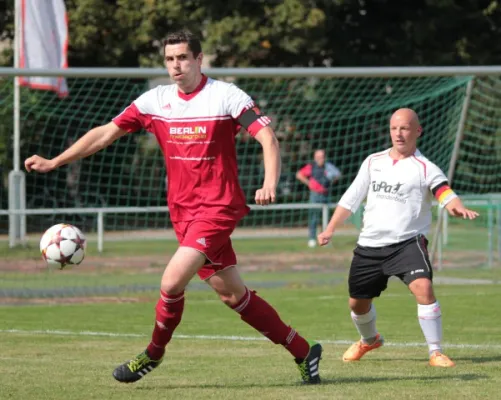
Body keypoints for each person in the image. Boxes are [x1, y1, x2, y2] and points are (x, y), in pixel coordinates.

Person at [24, 30, 322, 385]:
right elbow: (106, 132)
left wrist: (270, 182)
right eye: (169, 59)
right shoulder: (155, 101)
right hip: (183, 213)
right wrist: (55, 161)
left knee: (170, 281)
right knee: (232, 295)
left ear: (198, 59)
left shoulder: (225, 96)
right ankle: (304, 351)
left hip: (218, 208)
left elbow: (266, 137)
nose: (176, 65)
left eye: (182, 57)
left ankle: (153, 353)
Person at [317, 108, 479, 367]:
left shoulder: (425, 167)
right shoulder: (373, 161)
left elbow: (444, 191)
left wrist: (454, 206)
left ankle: (435, 352)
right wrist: (330, 228)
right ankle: (369, 340)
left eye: (404, 128)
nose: (399, 133)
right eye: (394, 128)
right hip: (370, 245)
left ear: (417, 131)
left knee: (423, 288)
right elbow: (351, 199)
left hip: (407, 243)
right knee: (357, 303)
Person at [296, 149, 341, 248]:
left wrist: (331, 181)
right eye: (318, 157)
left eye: (321, 157)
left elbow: (338, 175)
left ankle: (325, 240)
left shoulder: (328, 167)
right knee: (314, 218)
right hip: (315, 195)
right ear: (314, 158)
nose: (320, 159)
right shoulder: (311, 167)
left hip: (326, 194)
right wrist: (309, 183)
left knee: (327, 219)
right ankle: (312, 239)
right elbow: (299, 174)